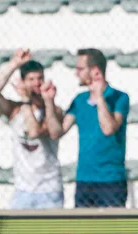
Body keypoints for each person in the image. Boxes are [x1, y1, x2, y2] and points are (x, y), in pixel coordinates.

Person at [46, 48, 130, 208]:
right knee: (84, 231)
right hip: (84, 179)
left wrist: (99, 97)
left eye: (80, 69)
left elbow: (108, 129)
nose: (76, 73)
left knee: (110, 231)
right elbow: (57, 132)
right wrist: (49, 101)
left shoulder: (120, 98)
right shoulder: (79, 100)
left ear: (95, 71)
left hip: (111, 180)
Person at [0, 48, 64, 210]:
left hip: (49, 188)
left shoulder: (52, 110)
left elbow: (34, 132)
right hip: (23, 189)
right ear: (22, 82)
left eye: (39, 78)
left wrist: (28, 100)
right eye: (31, 79)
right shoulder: (14, 110)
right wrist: (14, 64)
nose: (36, 83)